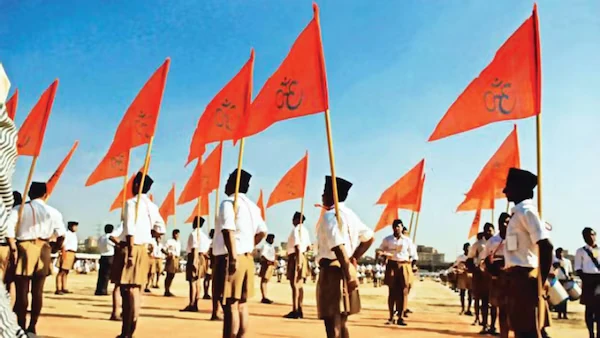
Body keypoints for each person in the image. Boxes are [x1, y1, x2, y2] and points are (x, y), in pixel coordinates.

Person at [316, 175, 374, 337]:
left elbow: (338, 246)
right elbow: (369, 237)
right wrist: (354, 258)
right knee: (342, 321)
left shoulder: (330, 216)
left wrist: (348, 271)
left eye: (325, 191)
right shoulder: (351, 215)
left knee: (332, 320)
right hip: (345, 267)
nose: (322, 196)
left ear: (332, 194)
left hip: (333, 271)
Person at [6, 181, 66, 334]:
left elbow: (8, 230)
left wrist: (13, 247)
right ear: (45, 194)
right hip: (44, 247)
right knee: (37, 291)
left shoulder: (19, 209)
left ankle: (21, 324)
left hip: (24, 247)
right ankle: (33, 326)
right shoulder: (54, 212)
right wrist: (55, 247)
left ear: (30, 193)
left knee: (22, 291)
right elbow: (61, 235)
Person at [502, 168, 553, 338]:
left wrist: (539, 282)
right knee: (519, 328)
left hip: (524, 278)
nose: (504, 191)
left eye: (508, 186)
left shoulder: (527, 212)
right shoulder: (518, 213)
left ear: (520, 188)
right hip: (516, 279)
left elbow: (546, 246)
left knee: (527, 331)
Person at [115, 172, 166, 338]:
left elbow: (130, 228)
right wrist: (150, 236)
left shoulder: (132, 204)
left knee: (128, 291)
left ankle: (127, 331)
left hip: (131, 247)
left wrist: (130, 251)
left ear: (136, 185)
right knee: (136, 291)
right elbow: (161, 229)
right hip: (144, 248)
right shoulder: (152, 206)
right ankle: (130, 330)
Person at [0, 68, 31, 338]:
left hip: (13, 245)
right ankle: (24, 323)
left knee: (14, 286)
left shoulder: (20, 211)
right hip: (11, 246)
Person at [219, 169, 268, 338]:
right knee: (242, 304)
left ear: (234, 184)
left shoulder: (229, 203)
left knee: (230, 304)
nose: (225, 185)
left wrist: (233, 256)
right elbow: (263, 232)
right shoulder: (253, 207)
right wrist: (248, 244)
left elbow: (228, 231)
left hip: (233, 256)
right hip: (247, 257)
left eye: (228, 181)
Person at [378, 219, 417, 326]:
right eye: (395, 226)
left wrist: (412, 266)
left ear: (402, 227)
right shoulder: (387, 239)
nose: (396, 228)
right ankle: (391, 317)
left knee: (403, 291)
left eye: (398, 226)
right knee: (392, 291)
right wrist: (383, 256)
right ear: (392, 228)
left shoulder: (407, 241)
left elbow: (414, 255)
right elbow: (380, 250)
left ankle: (400, 316)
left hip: (404, 265)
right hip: (392, 265)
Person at [481, 213, 510, 337]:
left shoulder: (515, 238)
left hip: (512, 275)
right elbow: (483, 259)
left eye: (507, 222)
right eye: (502, 222)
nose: (504, 224)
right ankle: (496, 329)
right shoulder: (492, 241)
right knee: (496, 305)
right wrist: (490, 270)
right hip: (497, 277)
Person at [285, 212, 311, 319]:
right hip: (302, 256)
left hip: (296, 257)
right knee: (299, 285)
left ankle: (295, 310)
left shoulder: (296, 230)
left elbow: (298, 246)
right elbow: (309, 247)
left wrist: (298, 261)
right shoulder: (305, 230)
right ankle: (299, 309)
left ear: (296, 219)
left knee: (294, 285)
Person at [575, 227, 600, 338]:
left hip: (599, 280)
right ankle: (591, 333)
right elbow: (578, 268)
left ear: (595, 235)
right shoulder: (580, 251)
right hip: (588, 280)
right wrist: (586, 280)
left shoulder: (599, 250)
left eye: (592, 234)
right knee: (589, 309)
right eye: (587, 235)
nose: (590, 237)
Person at [181, 218, 209, 312]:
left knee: (192, 282)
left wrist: (194, 261)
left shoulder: (194, 234)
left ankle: (192, 304)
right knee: (198, 282)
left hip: (194, 257)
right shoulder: (204, 236)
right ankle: (195, 303)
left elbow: (194, 248)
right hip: (202, 257)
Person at [467, 231, 487, 327]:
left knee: (481, 298)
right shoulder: (477, 245)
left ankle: (481, 319)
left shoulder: (488, 243)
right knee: (479, 297)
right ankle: (479, 318)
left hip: (485, 273)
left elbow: (469, 258)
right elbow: (470, 258)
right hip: (479, 272)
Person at [55, 221, 78, 295]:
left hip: (72, 253)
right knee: (61, 271)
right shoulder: (66, 234)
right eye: (75, 226)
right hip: (66, 252)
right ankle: (58, 288)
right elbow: (63, 244)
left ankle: (64, 287)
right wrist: (63, 253)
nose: (76, 228)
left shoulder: (74, 235)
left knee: (66, 272)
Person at [108, 221, 124, 321]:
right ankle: (115, 312)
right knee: (118, 285)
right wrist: (122, 245)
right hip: (123, 255)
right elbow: (112, 236)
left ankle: (126, 311)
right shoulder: (125, 223)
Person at [96, 224, 115, 296]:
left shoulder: (101, 237)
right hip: (109, 255)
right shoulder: (110, 238)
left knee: (101, 275)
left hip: (102, 255)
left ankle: (99, 289)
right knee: (106, 275)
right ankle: (103, 290)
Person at [552, 247, 572, 319]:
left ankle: (564, 314)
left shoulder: (567, 261)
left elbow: (570, 271)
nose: (560, 254)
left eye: (561, 252)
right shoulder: (553, 261)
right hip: (557, 281)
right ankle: (559, 314)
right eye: (558, 252)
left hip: (565, 280)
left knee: (565, 298)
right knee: (559, 298)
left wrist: (570, 277)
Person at [453, 243, 473, 316]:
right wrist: (458, 270)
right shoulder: (460, 257)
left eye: (469, 248)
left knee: (470, 293)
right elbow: (455, 265)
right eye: (466, 248)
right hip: (462, 276)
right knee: (462, 293)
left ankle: (469, 309)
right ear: (463, 249)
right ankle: (463, 308)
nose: (467, 249)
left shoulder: (472, 257)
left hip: (470, 275)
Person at [164, 229, 181, 297]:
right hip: (171, 258)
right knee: (169, 274)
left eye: (178, 234)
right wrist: (168, 254)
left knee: (172, 275)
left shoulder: (178, 242)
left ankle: (168, 289)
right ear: (173, 234)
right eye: (176, 234)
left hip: (176, 258)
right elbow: (163, 249)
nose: (177, 235)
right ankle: (166, 290)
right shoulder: (169, 241)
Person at [259, 234, 276, 304]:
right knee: (264, 280)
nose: (272, 240)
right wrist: (268, 261)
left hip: (271, 264)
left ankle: (265, 296)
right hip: (267, 264)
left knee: (266, 281)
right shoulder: (265, 246)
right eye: (271, 239)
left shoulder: (271, 247)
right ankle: (264, 297)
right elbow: (263, 255)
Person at [203, 228, 215, 300]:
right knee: (208, 278)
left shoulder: (208, 241)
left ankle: (206, 292)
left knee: (208, 278)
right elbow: (206, 252)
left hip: (210, 260)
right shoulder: (211, 242)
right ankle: (206, 293)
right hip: (210, 261)